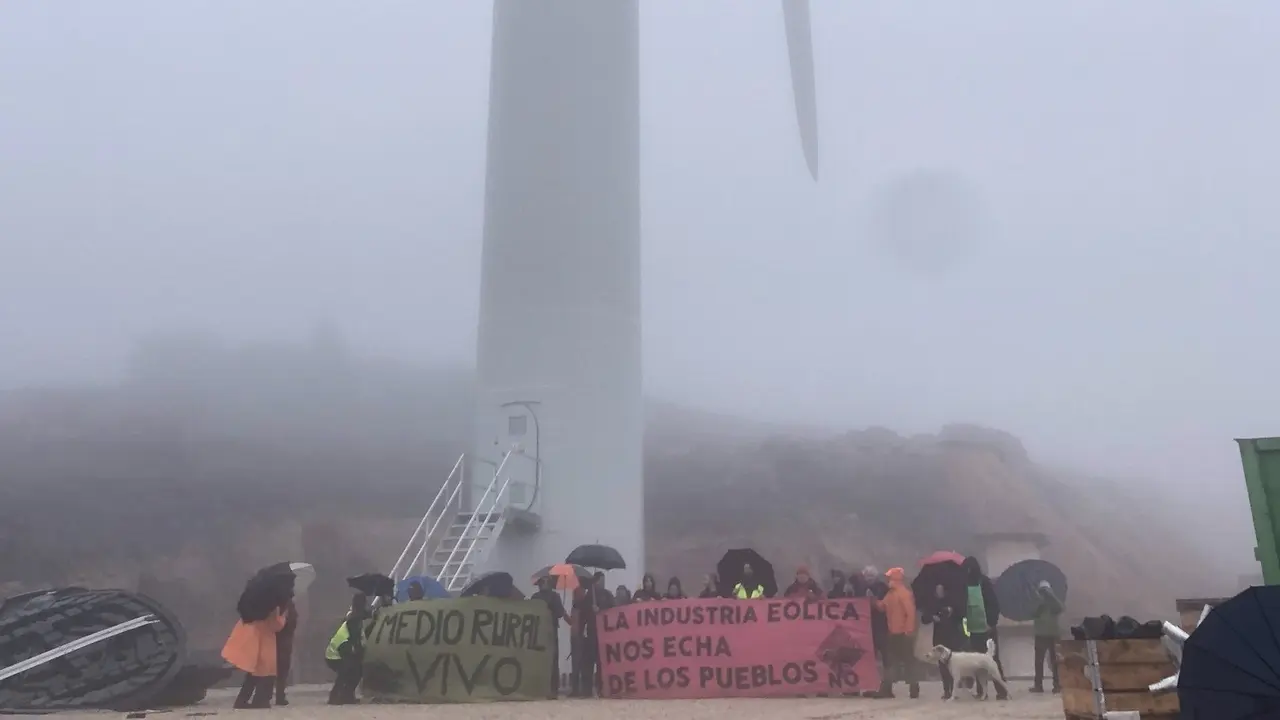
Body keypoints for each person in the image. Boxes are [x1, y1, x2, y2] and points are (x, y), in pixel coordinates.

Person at [224, 602, 289, 709]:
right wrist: (283, 616)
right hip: (267, 642)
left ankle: (242, 700)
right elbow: (276, 625)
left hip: (256, 640)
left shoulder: (255, 606)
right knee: (267, 673)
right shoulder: (272, 606)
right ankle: (260, 700)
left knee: (254, 674)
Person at [962, 556, 1007, 700]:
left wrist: (991, 622)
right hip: (972, 628)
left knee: (993, 660)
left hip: (987, 627)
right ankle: (982, 692)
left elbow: (993, 604)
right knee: (977, 662)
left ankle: (1002, 690)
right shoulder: (962, 585)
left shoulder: (984, 582)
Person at [873, 567, 919, 699]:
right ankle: (887, 689)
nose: (887, 580)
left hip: (903, 634)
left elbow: (910, 613)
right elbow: (882, 607)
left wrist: (908, 631)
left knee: (906, 661)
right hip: (893, 632)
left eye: (889, 578)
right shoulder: (891, 594)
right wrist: (873, 601)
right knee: (893, 661)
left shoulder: (903, 594)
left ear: (894, 579)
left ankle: (913, 687)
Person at [920, 583, 967, 700]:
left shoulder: (953, 601)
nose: (938, 592)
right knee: (942, 665)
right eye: (937, 590)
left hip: (952, 636)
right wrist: (932, 617)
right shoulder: (932, 603)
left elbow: (962, 614)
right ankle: (947, 690)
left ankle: (954, 689)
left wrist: (952, 611)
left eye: (940, 590)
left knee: (953, 664)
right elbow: (924, 618)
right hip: (939, 637)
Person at [325, 593, 369, 706]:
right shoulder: (353, 620)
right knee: (347, 670)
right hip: (335, 654)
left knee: (356, 669)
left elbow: (366, 615)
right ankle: (335, 697)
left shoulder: (355, 616)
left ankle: (347, 695)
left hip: (340, 651)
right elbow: (354, 641)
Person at [532, 577, 568, 698]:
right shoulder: (536, 597)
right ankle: (543, 686)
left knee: (552, 659)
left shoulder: (554, 597)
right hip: (541, 631)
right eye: (542, 582)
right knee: (542, 659)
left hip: (550, 630)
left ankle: (553, 688)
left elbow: (559, 613)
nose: (544, 584)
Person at [1031, 580, 1063, 694]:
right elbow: (1032, 612)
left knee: (1055, 660)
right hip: (1041, 634)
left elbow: (1060, 608)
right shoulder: (1038, 602)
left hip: (1053, 634)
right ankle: (1038, 685)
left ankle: (1057, 684)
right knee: (1039, 661)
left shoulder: (1054, 603)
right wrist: (1038, 600)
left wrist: (1049, 596)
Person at [274, 599, 298, 706]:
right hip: (283, 641)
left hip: (273, 640)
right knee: (282, 669)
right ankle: (279, 695)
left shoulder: (271, 604)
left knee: (275, 669)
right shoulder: (288, 605)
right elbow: (293, 622)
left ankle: (268, 694)